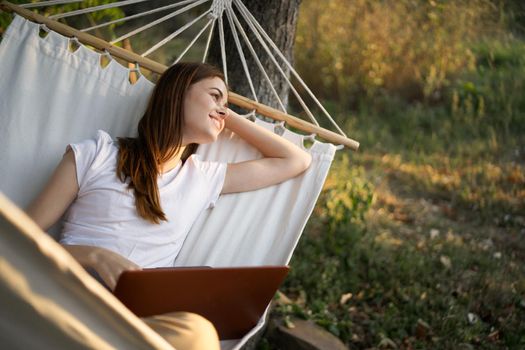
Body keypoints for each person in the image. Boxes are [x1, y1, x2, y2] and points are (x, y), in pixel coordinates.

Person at [25, 62, 311, 349]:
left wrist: (227, 116)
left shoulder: (202, 178)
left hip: (136, 324)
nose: (222, 109)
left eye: (225, 103)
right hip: (71, 302)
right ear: (177, 93)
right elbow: (16, 240)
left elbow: (296, 161)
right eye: (214, 95)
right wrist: (95, 256)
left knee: (196, 330)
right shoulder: (96, 155)